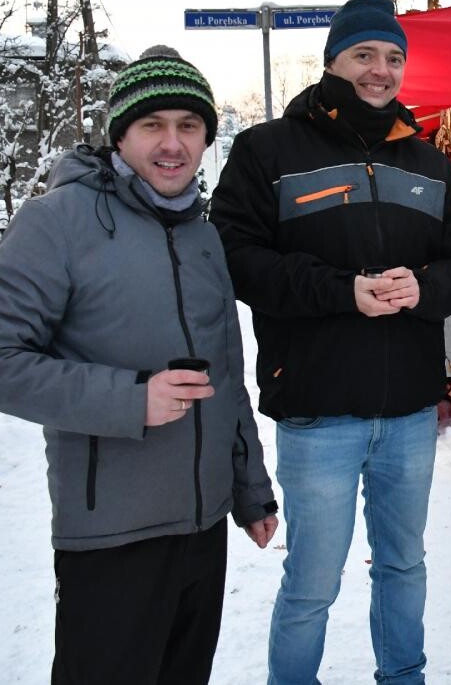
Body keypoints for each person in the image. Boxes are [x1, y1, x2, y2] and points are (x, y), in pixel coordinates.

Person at [209, 0, 451, 685]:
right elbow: (234, 256)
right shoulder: (266, 150)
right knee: (312, 582)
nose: (380, 70)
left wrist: (425, 287)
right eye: (365, 54)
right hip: (317, 409)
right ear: (332, 59)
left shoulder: (427, 160)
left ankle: (403, 677)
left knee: (403, 565)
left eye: (394, 57)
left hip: (409, 409)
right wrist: (340, 290)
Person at [0, 46, 278, 685]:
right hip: (110, 537)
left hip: (203, 530)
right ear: (120, 134)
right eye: (153, 125)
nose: (172, 143)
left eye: (189, 126)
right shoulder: (56, 223)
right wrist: (131, 399)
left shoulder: (204, 235)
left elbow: (227, 377)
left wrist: (249, 488)